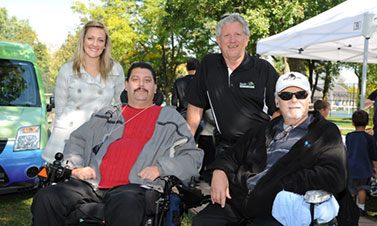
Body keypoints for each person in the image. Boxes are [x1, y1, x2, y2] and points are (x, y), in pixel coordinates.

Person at [31, 62, 203, 226]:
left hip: (134, 186)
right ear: (126, 85)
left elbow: (192, 156)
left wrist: (161, 168)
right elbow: (77, 139)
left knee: (126, 205)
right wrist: (75, 168)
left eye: (147, 80)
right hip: (93, 183)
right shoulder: (107, 114)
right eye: (135, 79)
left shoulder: (170, 118)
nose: (141, 85)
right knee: (47, 198)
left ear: (155, 87)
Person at [192, 72, 347, 226]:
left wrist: (280, 185)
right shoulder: (262, 130)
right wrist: (219, 172)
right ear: (277, 102)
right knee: (202, 221)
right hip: (237, 202)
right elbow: (230, 155)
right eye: (286, 95)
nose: (294, 100)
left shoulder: (324, 132)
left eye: (300, 94)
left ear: (309, 100)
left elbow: (334, 175)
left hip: (278, 209)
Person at [186, 13, 279, 156]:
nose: (233, 40)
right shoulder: (209, 65)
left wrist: (271, 142)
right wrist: (186, 143)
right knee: (217, 177)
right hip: (225, 147)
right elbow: (196, 105)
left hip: (259, 148)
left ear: (247, 39)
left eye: (237, 34)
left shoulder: (264, 69)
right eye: (227, 35)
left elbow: (279, 111)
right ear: (218, 40)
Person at [42, 21, 125, 163]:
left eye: (100, 40)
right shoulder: (67, 69)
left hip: (97, 139)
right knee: (61, 184)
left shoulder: (115, 70)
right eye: (90, 38)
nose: (95, 44)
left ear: (105, 45)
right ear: (83, 40)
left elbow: (122, 108)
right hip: (65, 138)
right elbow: (61, 110)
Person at [346, 110, 377, 216]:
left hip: (351, 167)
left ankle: (349, 207)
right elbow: (373, 155)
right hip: (364, 167)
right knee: (362, 188)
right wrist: (375, 168)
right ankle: (361, 208)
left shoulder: (349, 136)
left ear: (353, 122)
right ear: (367, 122)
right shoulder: (370, 138)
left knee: (351, 189)